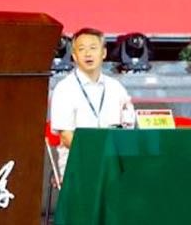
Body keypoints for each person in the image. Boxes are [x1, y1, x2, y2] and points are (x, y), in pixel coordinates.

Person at [49, 27, 132, 178]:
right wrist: (98, 154)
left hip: (114, 163)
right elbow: (66, 136)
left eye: (93, 48)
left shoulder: (116, 88)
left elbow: (128, 128)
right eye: (82, 49)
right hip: (79, 164)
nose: (88, 54)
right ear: (74, 56)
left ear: (103, 53)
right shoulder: (64, 89)